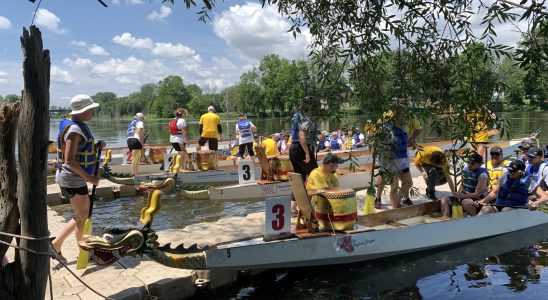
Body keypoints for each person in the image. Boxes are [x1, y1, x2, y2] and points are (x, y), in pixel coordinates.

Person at [50, 94, 105, 262]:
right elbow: (70, 160)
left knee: (82, 215)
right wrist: (90, 178)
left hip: (72, 178)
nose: (92, 112)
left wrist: (95, 147)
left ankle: (76, 248)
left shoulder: (74, 126)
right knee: (83, 215)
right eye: (90, 110)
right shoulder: (75, 130)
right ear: (81, 111)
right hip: (72, 178)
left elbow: (80, 151)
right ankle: (59, 245)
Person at [374, 110, 414, 209]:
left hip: (402, 160)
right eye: (403, 117)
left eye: (405, 118)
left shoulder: (403, 129)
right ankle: (391, 204)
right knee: (393, 186)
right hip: (389, 162)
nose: (405, 120)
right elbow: (375, 141)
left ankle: (398, 201)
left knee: (408, 182)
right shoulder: (386, 129)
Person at [289, 96, 319, 213]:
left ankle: (293, 209)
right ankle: (312, 208)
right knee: (316, 175)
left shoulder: (297, 115)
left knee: (299, 179)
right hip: (301, 148)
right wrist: (307, 153)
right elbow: (302, 135)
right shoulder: (305, 117)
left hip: (293, 148)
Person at [440, 152, 489, 218]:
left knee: (466, 202)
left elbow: (477, 194)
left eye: (472, 163)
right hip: (464, 196)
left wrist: (461, 196)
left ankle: (476, 219)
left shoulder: (482, 175)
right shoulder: (465, 170)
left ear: (480, 164)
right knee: (444, 199)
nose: (469, 165)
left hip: (476, 199)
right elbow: (463, 184)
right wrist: (458, 194)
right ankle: (445, 220)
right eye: (468, 162)